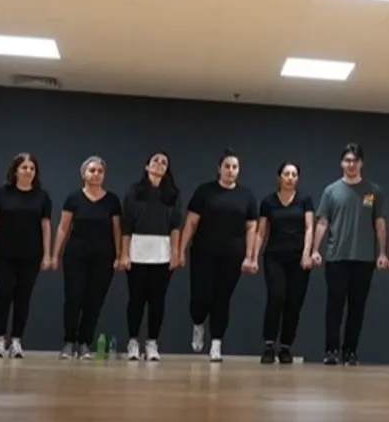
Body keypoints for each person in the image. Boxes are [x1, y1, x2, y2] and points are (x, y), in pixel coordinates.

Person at [180, 149, 258, 363]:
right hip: (203, 252)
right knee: (201, 296)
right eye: (227, 166)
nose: (231, 170)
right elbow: (191, 222)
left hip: (232, 254)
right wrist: (181, 250)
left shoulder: (246, 195)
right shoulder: (205, 191)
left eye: (235, 167)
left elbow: (252, 227)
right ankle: (198, 324)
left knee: (222, 299)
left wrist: (250, 256)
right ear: (219, 168)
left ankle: (216, 343)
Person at [313, 143, 388, 366]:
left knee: (357, 308)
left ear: (361, 163)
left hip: (364, 259)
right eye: (347, 160)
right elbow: (322, 222)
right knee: (334, 306)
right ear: (341, 163)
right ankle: (331, 350)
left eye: (355, 160)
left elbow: (379, 223)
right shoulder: (331, 191)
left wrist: (382, 253)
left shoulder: (373, 191)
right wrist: (315, 250)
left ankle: (350, 351)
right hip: (337, 257)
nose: (351, 164)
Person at [51, 156, 122, 360]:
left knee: (94, 300)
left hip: (103, 256)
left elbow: (117, 230)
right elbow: (63, 227)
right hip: (76, 255)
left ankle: (84, 343)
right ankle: (69, 342)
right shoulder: (74, 198)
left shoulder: (112, 200)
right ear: (84, 174)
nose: (96, 174)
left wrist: (119, 255)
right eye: (92, 170)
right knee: (74, 298)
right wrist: (55, 254)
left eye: (100, 171)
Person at [0, 153, 52, 359]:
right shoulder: (2, 193)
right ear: (15, 171)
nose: (28, 171)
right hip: (3, 254)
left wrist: (47, 254)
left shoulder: (42, 197)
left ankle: (16, 341)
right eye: (24, 167)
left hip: (30, 254)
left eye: (32, 168)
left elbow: (46, 226)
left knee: (23, 298)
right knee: (3, 295)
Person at [120, 152, 182, 362]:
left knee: (157, 300)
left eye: (164, 162)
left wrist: (175, 252)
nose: (159, 164)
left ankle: (152, 342)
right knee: (136, 299)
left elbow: (175, 226)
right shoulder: (134, 192)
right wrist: (124, 253)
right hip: (137, 250)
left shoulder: (172, 195)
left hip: (162, 252)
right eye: (156, 160)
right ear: (147, 166)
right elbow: (126, 225)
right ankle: (133, 342)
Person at [257, 162, 314, 365]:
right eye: (286, 174)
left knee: (294, 302)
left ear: (297, 178)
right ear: (279, 177)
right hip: (274, 256)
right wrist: (253, 256)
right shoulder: (268, 202)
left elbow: (309, 228)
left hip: (298, 257)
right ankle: (269, 345)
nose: (290, 178)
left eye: (294, 174)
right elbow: (261, 231)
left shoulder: (305, 200)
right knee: (276, 297)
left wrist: (306, 254)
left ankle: (285, 346)